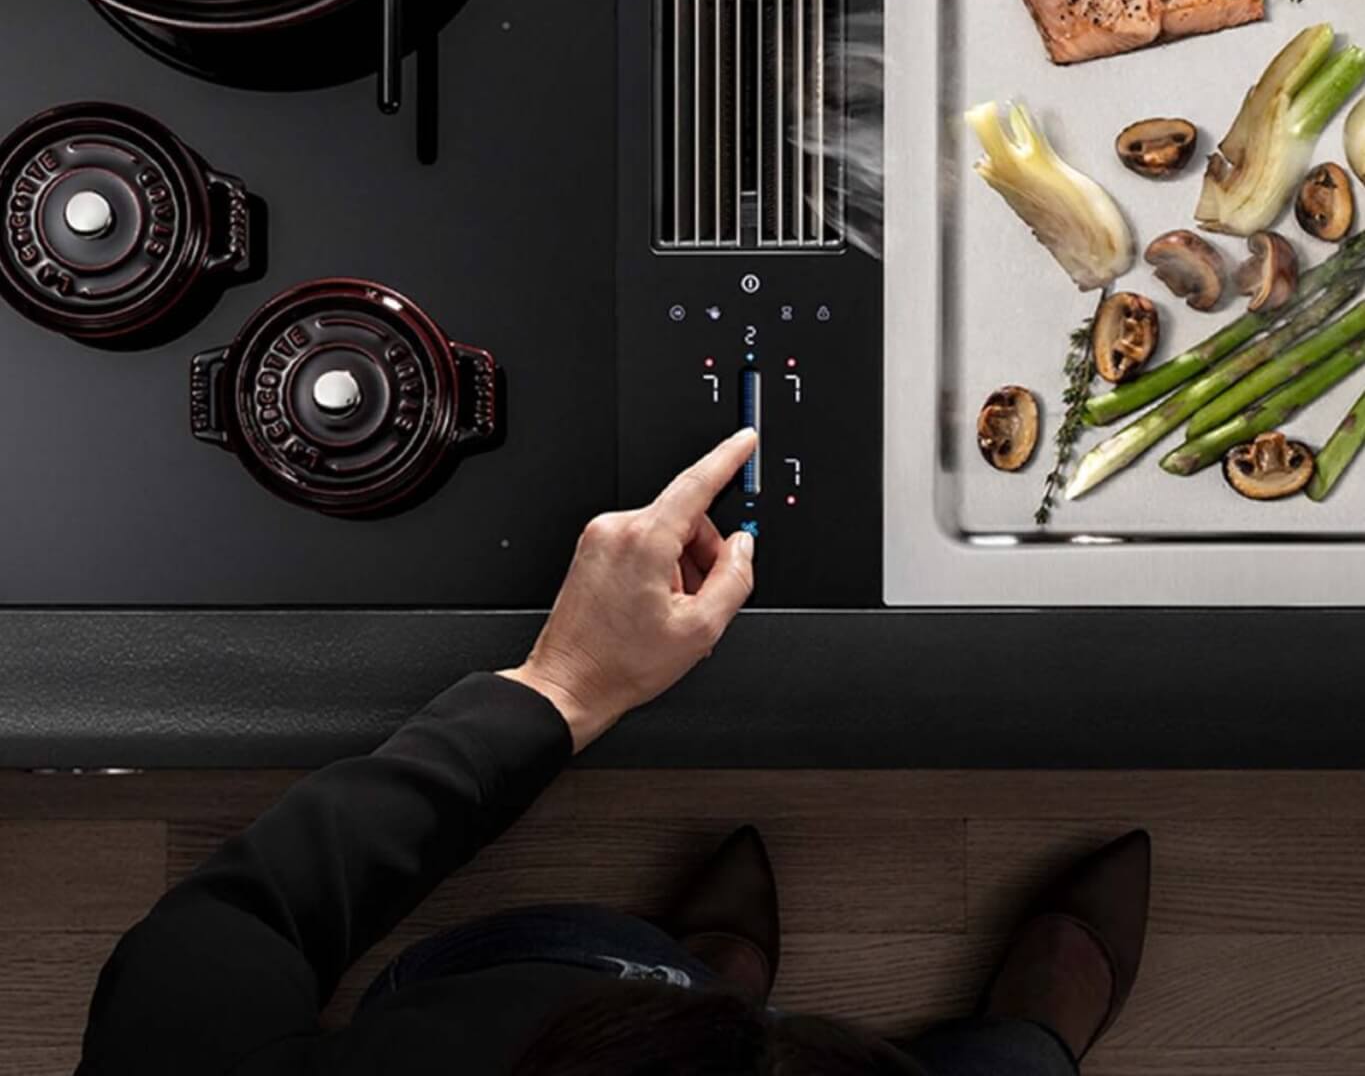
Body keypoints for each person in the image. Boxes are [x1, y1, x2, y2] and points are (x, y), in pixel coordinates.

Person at [76, 427, 1149, 1074]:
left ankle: (699, 985)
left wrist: (563, 685)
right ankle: (1024, 1035)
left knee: (628, 967)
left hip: (533, 1007)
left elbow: (232, 920)